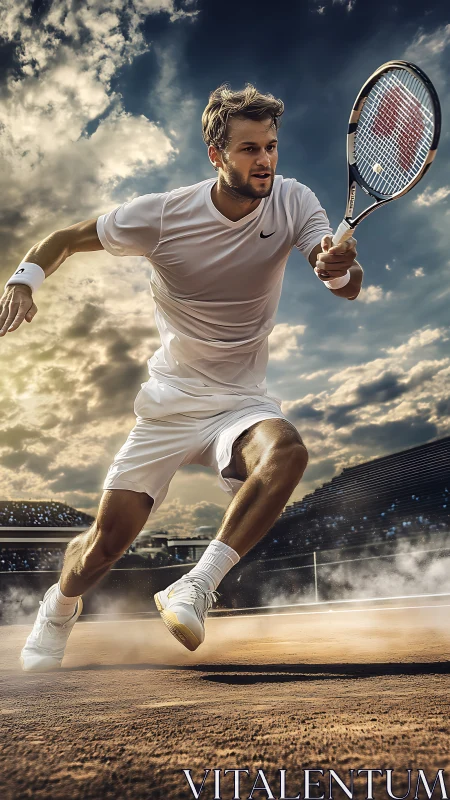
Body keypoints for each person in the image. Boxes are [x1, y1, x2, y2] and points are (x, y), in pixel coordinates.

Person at [1, 84, 363, 669]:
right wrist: (24, 279)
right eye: (249, 148)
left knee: (287, 451)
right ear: (216, 154)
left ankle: (197, 585)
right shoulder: (164, 214)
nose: (265, 160)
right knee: (103, 548)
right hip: (170, 404)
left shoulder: (294, 201)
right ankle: (59, 608)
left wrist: (340, 269)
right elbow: (67, 237)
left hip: (241, 402)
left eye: (271, 146)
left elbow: (342, 283)